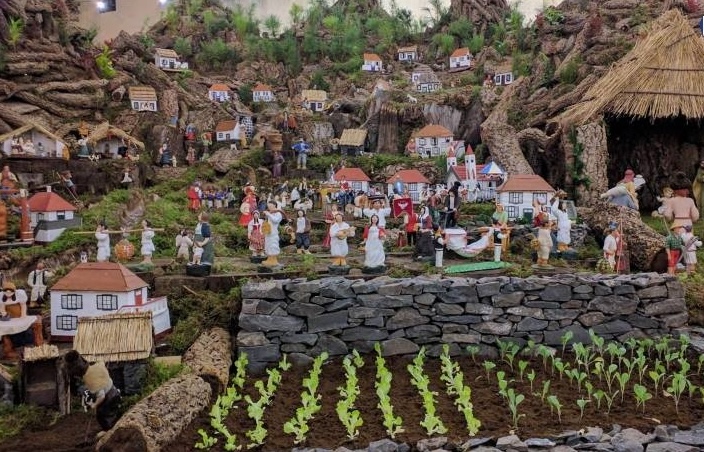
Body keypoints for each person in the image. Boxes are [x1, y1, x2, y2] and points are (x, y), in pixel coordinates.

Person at [64, 350, 121, 432]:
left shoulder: (90, 378)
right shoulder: (97, 366)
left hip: (109, 398)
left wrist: (94, 405)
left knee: (103, 417)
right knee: (111, 414)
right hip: (114, 391)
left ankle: (110, 432)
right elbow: (102, 363)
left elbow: (101, 396)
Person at [1, 282, 43, 360]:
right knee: (4, 330)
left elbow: (23, 306)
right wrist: (4, 314)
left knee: (36, 324)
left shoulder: (19, 296)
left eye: (10, 292)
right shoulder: (2, 298)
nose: (8, 294)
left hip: (19, 316)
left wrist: (23, 316)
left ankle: (38, 345)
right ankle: (8, 350)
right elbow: (2, 308)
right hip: (10, 317)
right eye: (6, 292)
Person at [262, 202, 283, 267]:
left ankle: (274, 260)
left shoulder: (278, 213)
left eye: (270, 206)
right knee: (268, 246)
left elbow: (275, 220)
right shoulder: (270, 213)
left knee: (273, 245)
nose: (269, 207)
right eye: (268, 206)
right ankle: (269, 259)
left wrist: (268, 214)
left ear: (274, 205)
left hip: (273, 233)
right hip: (268, 233)